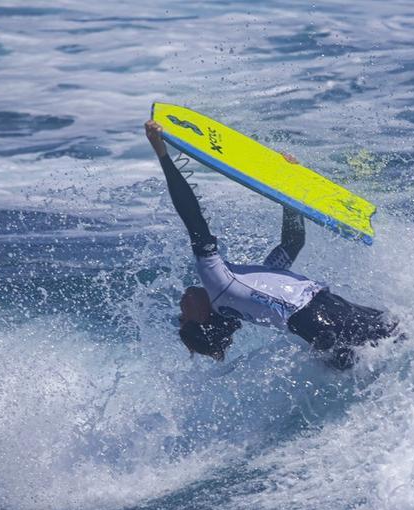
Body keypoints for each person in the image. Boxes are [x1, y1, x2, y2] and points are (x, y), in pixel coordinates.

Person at [146, 119, 396, 370]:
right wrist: (162, 155)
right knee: (400, 337)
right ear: (200, 317)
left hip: (320, 318)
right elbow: (193, 218)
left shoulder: (239, 292)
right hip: (319, 318)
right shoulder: (216, 282)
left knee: (393, 344)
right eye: (183, 318)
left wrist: (290, 191)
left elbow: (291, 244)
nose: (181, 309)